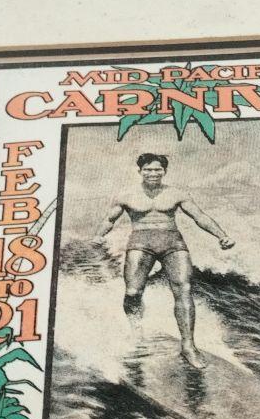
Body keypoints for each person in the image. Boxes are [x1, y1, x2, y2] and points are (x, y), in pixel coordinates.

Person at [96, 152, 234, 368]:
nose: (153, 173)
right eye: (148, 170)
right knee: (133, 293)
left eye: (157, 169)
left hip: (173, 243)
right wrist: (98, 236)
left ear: (164, 171)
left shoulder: (176, 193)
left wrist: (221, 235)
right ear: (140, 171)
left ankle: (188, 346)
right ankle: (136, 332)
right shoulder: (126, 195)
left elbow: (199, 216)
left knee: (183, 290)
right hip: (140, 243)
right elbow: (109, 219)